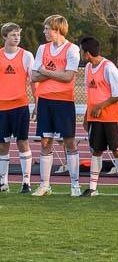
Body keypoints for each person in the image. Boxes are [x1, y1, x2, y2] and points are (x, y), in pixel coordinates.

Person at [30, 15, 82, 196]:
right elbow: (34, 76)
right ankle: (45, 185)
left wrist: (45, 70)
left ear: (57, 29)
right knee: (45, 142)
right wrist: (54, 73)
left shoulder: (72, 49)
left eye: (47, 29)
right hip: (44, 100)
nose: (44, 32)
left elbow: (69, 76)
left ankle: (75, 185)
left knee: (69, 142)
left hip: (64, 101)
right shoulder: (42, 49)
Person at [79, 37, 118, 198]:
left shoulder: (108, 67)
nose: (80, 53)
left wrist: (101, 106)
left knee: (117, 150)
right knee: (96, 151)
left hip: (111, 118)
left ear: (87, 53)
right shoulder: (87, 68)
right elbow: (90, 94)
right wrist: (87, 115)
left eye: (81, 50)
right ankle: (92, 187)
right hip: (95, 119)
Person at [0, 23, 34, 193]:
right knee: (2, 145)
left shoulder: (27, 56)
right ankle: (3, 182)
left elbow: (34, 81)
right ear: (4, 36)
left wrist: (38, 102)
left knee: (22, 142)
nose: (16, 37)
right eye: (13, 34)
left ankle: (26, 182)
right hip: (1, 107)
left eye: (18, 34)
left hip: (20, 105)